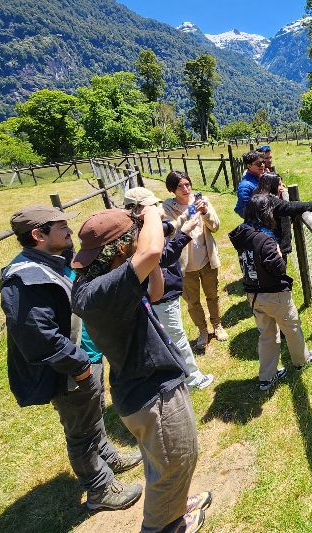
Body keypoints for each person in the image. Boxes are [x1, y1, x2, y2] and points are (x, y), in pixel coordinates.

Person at [71, 208, 210, 533]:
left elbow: (156, 291)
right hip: (153, 395)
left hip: (147, 388)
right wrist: (148, 215)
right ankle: (164, 524)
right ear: (121, 248)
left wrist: (146, 256)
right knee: (175, 465)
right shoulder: (103, 290)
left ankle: (173, 506)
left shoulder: (100, 281)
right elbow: (151, 250)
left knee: (165, 463)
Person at [0, 205, 143, 512]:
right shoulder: (24, 279)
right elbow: (38, 337)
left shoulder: (55, 259)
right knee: (80, 431)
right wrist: (78, 367)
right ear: (38, 235)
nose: (68, 230)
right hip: (70, 370)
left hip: (87, 357)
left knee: (94, 416)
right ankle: (100, 489)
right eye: (60, 226)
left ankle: (107, 455)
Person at [125, 187, 215, 392]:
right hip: (162, 296)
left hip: (164, 294)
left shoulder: (146, 228)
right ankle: (192, 379)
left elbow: (173, 228)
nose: (159, 207)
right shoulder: (141, 234)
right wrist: (186, 235)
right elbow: (164, 257)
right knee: (177, 337)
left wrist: (189, 217)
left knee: (168, 335)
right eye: (154, 205)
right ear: (139, 210)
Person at [228, 194, 312, 391]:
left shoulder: (242, 235)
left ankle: (266, 378)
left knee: (267, 335)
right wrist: (277, 251)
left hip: (253, 295)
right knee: (292, 327)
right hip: (275, 295)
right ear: (265, 213)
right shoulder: (265, 240)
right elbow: (279, 268)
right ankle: (301, 360)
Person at [162, 171, 228, 352]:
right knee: (193, 301)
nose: (185, 189)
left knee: (212, 295)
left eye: (187, 184)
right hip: (185, 265)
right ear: (172, 190)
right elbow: (171, 232)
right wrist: (189, 217)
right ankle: (202, 331)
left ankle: (217, 325)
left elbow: (215, 226)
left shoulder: (202, 200)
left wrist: (205, 212)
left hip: (207, 259)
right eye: (180, 186)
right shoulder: (168, 207)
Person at [251, 172, 312, 258]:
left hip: (256, 246)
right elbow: (293, 206)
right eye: (279, 185)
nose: (282, 188)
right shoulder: (272, 202)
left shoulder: (256, 198)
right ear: (271, 186)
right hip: (271, 250)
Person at [233, 151, 265, 218]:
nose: (262, 165)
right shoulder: (245, 186)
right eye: (258, 163)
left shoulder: (261, 177)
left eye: (263, 162)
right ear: (249, 166)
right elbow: (242, 209)